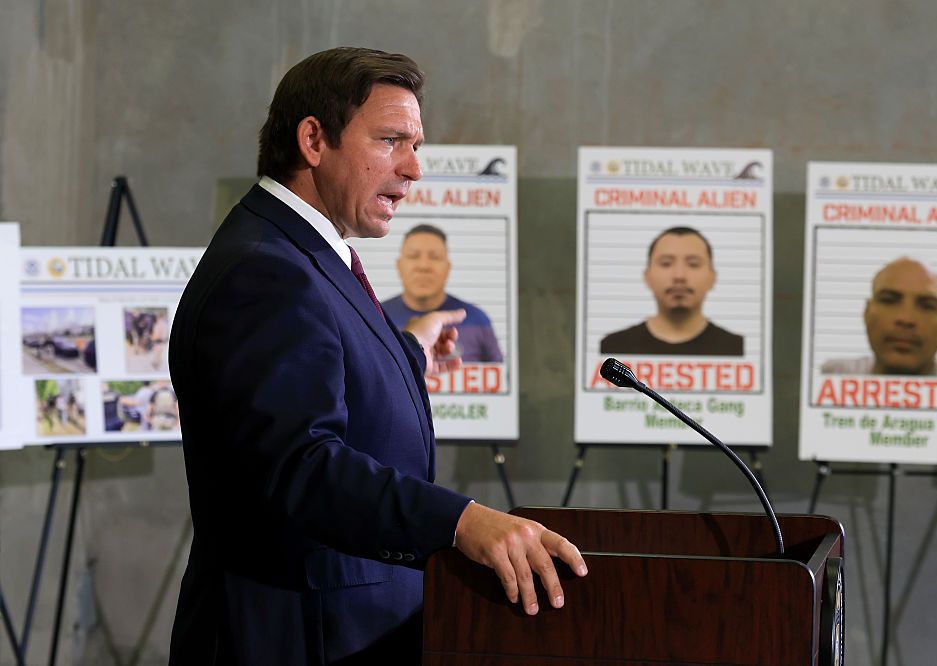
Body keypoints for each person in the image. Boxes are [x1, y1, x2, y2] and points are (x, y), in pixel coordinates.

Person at [168, 47, 586, 665]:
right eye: (391, 141)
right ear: (314, 140)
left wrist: (407, 351)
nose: (413, 169)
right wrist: (461, 522)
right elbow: (302, 465)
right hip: (297, 637)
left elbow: (319, 374)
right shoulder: (266, 271)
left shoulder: (297, 250)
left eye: (416, 146)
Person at [600, 226, 744, 355]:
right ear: (647, 276)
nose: (679, 276)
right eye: (666, 263)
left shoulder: (737, 349)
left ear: (713, 277)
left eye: (693, 264)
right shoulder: (613, 348)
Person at [381, 224, 503, 362]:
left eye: (435, 257)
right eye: (413, 256)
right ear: (399, 265)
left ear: (448, 267)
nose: (424, 266)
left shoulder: (477, 320)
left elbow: (501, 371)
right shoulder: (377, 316)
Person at [821, 257, 937, 376]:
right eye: (889, 300)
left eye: (927, 306)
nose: (906, 319)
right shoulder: (830, 377)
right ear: (867, 313)